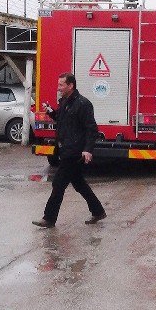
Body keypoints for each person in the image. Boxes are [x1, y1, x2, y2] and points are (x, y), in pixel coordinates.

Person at [32, 72, 106, 228]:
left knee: (58, 184)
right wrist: (51, 111)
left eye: (61, 85)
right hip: (65, 150)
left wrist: (88, 150)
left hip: (75, 152)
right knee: (79, 184)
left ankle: (49, 218)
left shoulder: (83, 104)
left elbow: (91, 129)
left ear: (70, 85)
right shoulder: (65, 102)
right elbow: (62, 119)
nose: (58, 88)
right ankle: (98, 211)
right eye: (58, 84)